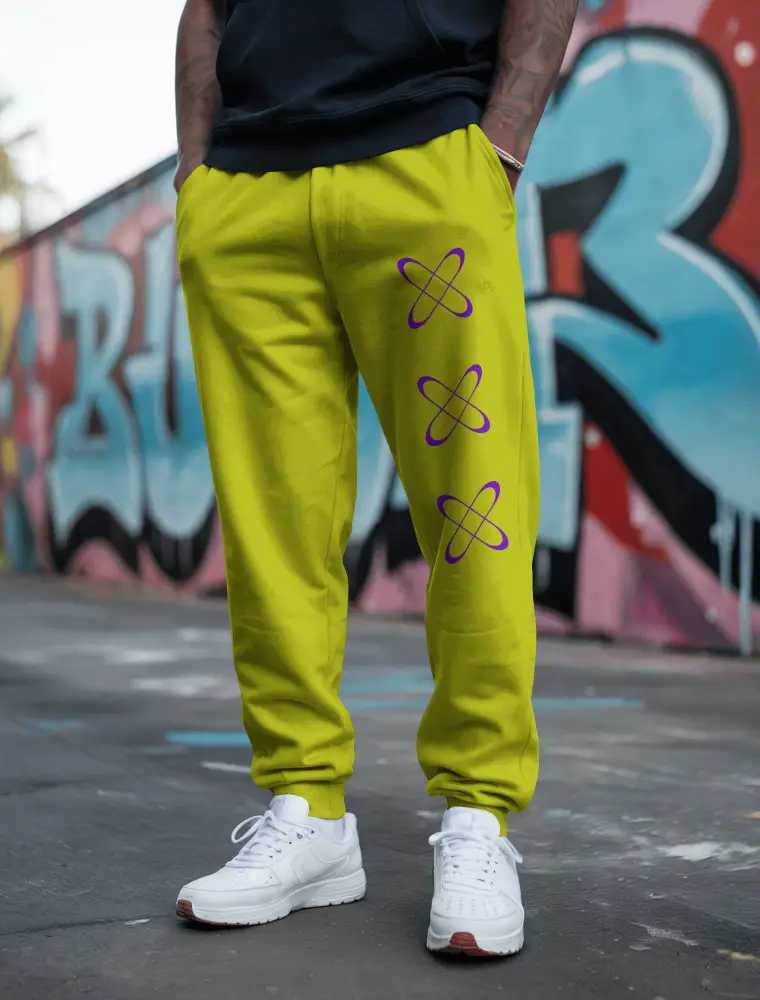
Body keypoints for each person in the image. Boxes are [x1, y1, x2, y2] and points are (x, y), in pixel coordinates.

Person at [173, 0, 578, 957]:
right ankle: (306, 810)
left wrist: (500, 152)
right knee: (273, 526)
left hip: (427, 158)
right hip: (246, 196)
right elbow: (207, 10)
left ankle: (479, 817)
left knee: (473, 510)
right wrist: (196, 176)